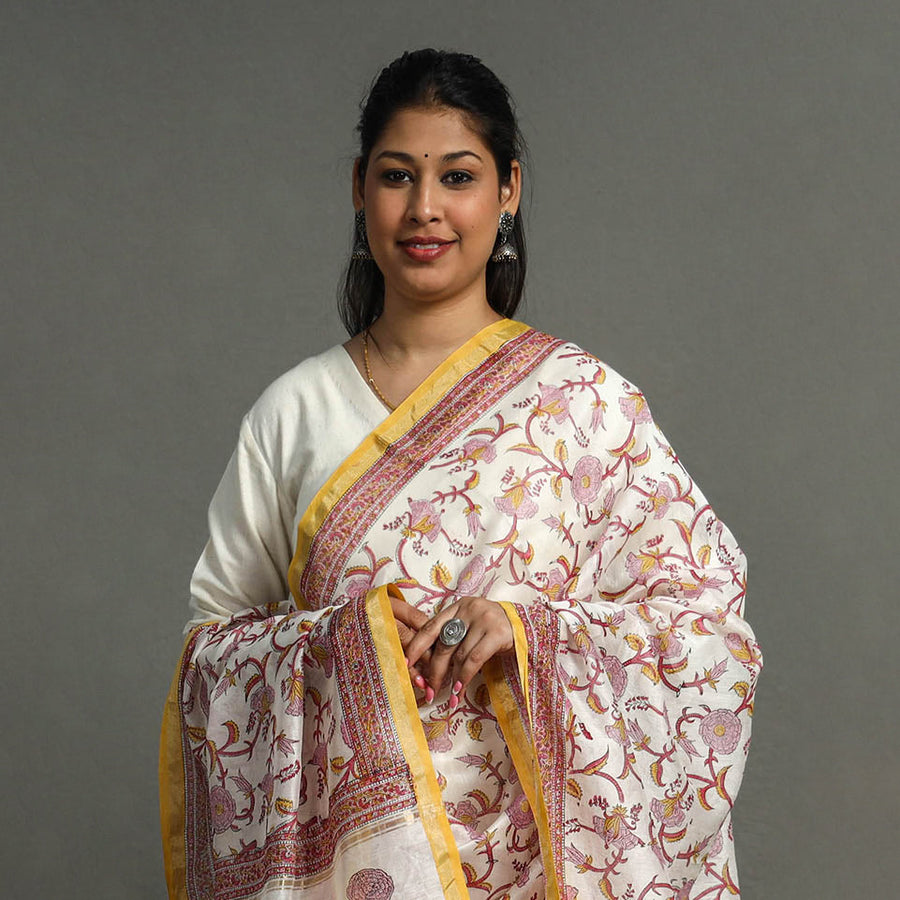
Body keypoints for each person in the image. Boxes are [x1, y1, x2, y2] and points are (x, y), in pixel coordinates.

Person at [160, 49, 761, 900]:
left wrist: (528, 634)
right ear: (359, 188)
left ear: (508, 189)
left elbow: (705, 631)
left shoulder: (583, 404)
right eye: (397, 176)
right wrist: (345, 641)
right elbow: (211, 659)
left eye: (458, 176)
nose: (425, 208)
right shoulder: (292, 413)